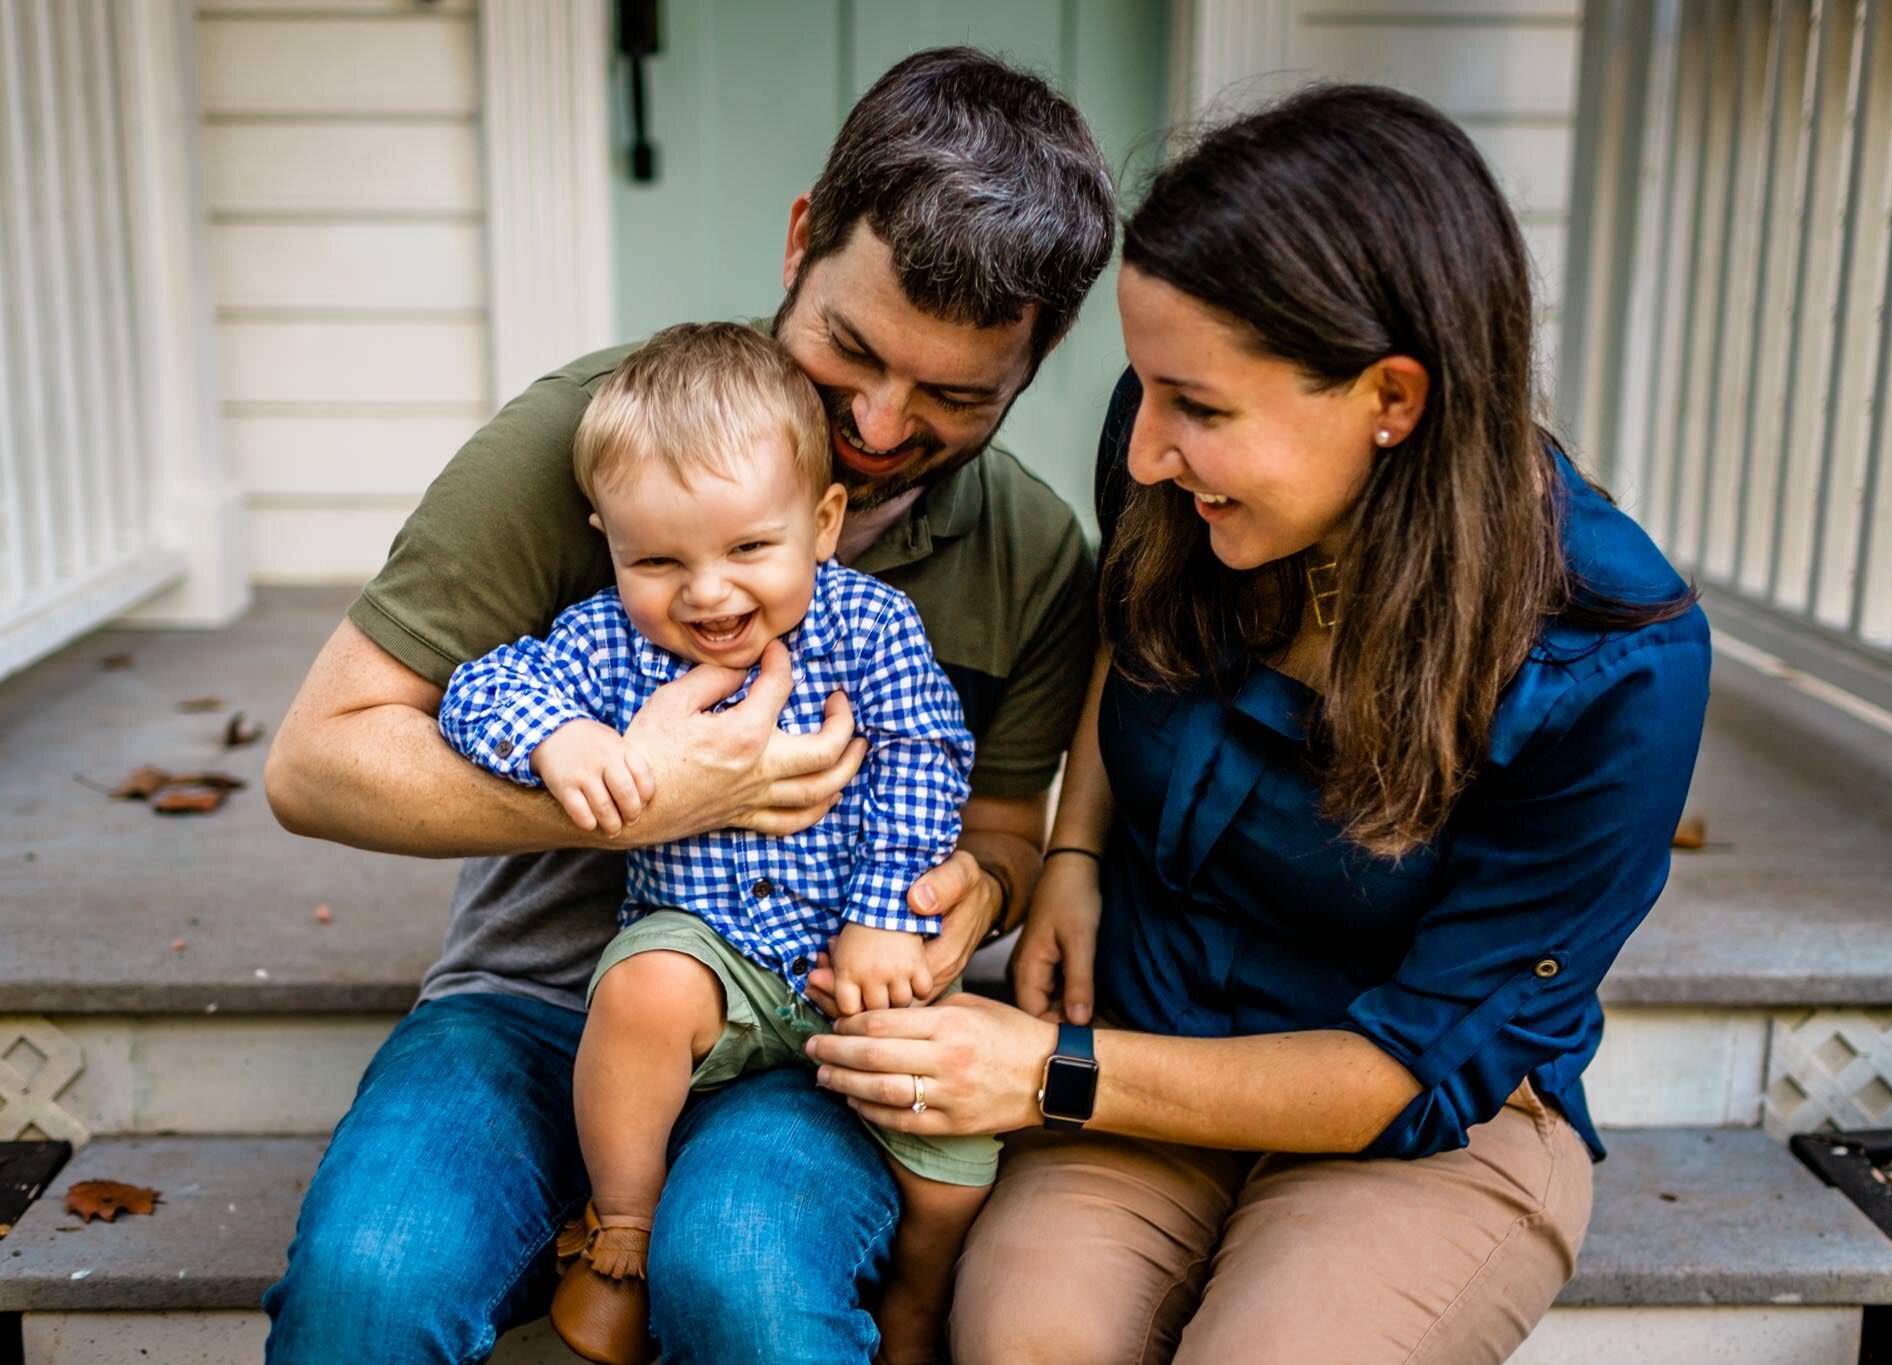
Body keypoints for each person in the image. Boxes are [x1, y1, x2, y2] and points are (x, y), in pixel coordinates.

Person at [803, 84, 1714, 1363]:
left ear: (1388, 398)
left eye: (1200, 411)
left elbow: (1404, 1069)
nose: (1141, 456)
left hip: (1409, 1129)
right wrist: (1073, 847)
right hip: (1147, 1027)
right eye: (1148, 390)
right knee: (1024, 1343)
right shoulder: (1175, 455)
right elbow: (1133, 611)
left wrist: (1047, 1073)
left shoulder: (1614, 662)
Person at [260, 49, 1115, 1364]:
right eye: (854, 351)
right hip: (537, 1002)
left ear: (1039, 360)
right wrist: (630, 798)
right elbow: (317, 763)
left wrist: (961, 911)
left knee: (752, 1282)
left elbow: (999, 834)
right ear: (798, 240)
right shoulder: (593, 440)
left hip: (818, 1034)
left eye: (956, 396)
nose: (881, 425)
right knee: (371, 1284)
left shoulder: (1032, 556)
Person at [437, 323, 995, 1365]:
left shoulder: (869, 627)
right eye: (657, 559)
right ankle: (624, 1236)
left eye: (747, 549)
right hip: (714, 954)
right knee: (642, 988)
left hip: (853, 959)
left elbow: (926, 755)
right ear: (606, 538)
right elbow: (482, 685)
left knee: (950, 1140)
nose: (706, 593)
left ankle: (922, 1288)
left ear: (822, 522)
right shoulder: (606, 638)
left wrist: (884, 917)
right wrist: (558, 735)